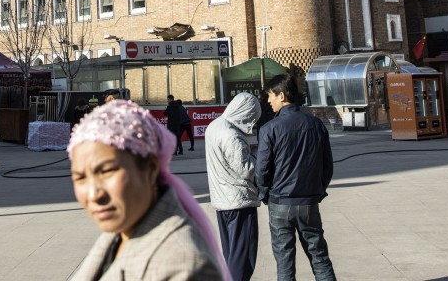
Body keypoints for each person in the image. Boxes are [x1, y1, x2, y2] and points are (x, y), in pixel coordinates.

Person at [67, 100, 227, 280]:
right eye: (80, 178)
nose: (93, 194)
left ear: (151, 168)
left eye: (107, 171)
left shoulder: (185, 265)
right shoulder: (119, 232)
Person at [257, 73, 336, 281]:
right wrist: (318, 190)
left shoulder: (269, 129)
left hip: (280, 203)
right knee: (319, 258)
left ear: (282, 95)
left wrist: (265, 194)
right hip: (308, 202)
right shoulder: (316, 124)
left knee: (284, 263)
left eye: (271, 95)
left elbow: (262, 169)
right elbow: (327, 165)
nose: (268, 100)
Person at [205, 92, 261, 281]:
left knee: (231, 254)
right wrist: (259, 155)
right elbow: (246, 169)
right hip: (239, 203)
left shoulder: (215, 126)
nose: (253, 122)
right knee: (243, 259)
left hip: (222, 201)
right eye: (252, 116)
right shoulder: (232, 135)